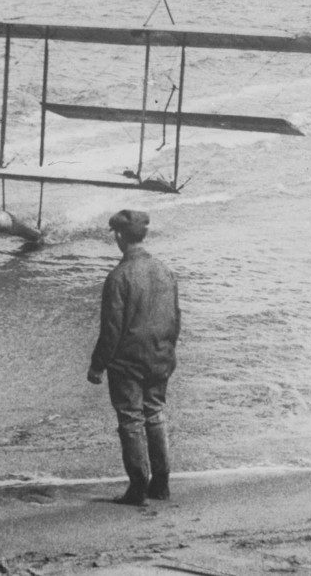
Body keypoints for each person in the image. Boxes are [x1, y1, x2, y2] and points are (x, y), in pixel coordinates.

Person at [87, 209, 180, 506]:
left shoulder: (118, 277)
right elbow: (175, 319)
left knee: (130, 419)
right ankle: (161, 484)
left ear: (119, 236)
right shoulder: (165, 270)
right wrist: (167, 352)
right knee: (155, 413)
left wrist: (97, 366)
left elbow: (111, 330)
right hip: (161, 356)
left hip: (128, 362)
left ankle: (138, 487)